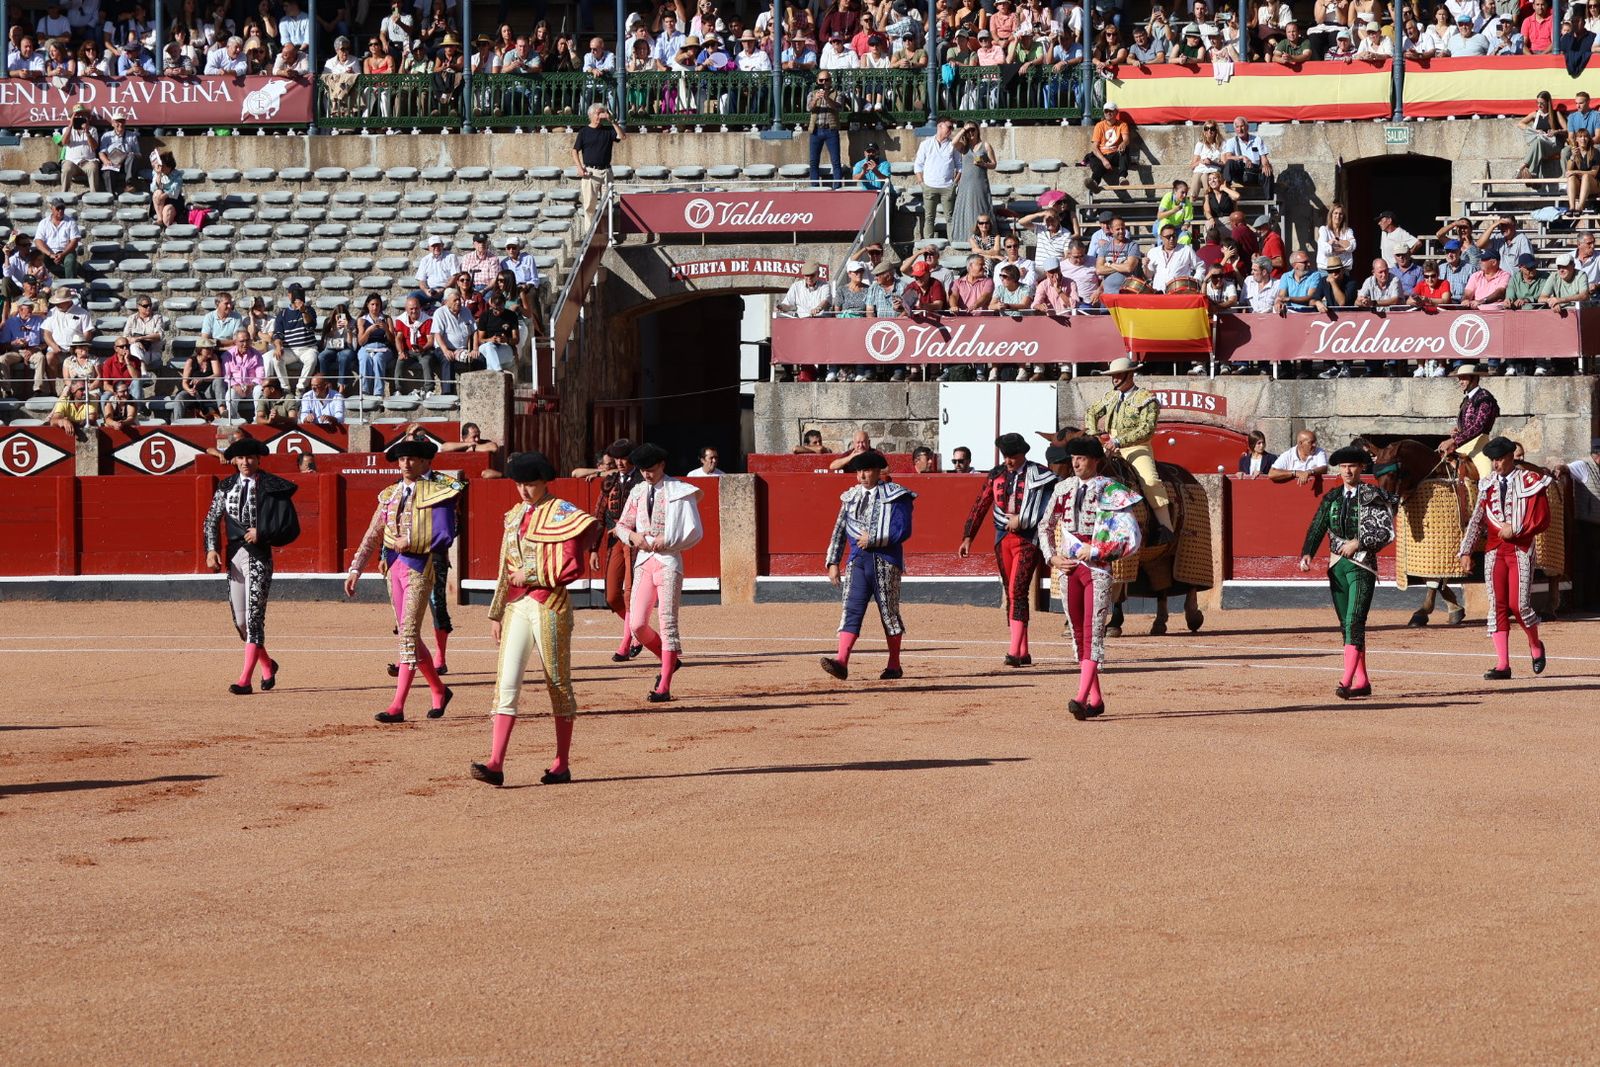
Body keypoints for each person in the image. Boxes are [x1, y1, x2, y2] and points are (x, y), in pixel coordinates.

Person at [471, 451, 601, 788]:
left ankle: (561, 763)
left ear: (544, 482)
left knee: (557, 682)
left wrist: (527, 574)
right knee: (506, 682)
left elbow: (572, 565)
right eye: (519, 484)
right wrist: (497, 611)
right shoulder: (513, 516)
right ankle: (495, 762)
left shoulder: (562, 513)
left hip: (550, 604)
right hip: (516, 606)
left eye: (530, 484)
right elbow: (504, 566)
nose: (524, 490)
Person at [344, 438, 462, 723]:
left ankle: (397, 705)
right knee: (409, 634)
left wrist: (411, 540)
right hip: (394, 570)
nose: (406, 464)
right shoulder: (389, 494)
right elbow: (373, 532)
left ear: (425, 463)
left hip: (419, 567)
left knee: (408, 635)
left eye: (412, 459)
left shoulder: (439, 492)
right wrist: (356, 567)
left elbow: (446, 534)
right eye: (402, 460)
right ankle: (439, 689)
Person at [1040, 436, 1144, 719]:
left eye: (1082, 458)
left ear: (1096, 461)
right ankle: (1096, 700)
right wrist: (1052, 557)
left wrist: (1096, 548)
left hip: (1097, 570)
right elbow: (1045, 526)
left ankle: (1080, 696)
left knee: (1093, 632)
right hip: (1069, 569)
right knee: (1078, 633)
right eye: (1073, 457)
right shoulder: (1062, 489)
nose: (1075, 462)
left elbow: (1131, 538)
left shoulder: (1112, 490)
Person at [203, 436, 301, 696]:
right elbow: (211, 521)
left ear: (258, 459)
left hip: (259, 556)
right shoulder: (225, 486)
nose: (245, 462)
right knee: (240, 622)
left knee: (254, 618)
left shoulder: (270, 486)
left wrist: (263, 532)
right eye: (241, 458)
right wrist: (211, 549)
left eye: (250, 458)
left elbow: (288, 524)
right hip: (234, 556)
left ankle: (245, 679)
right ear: (233, 460)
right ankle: (267, 664)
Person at [1298, 444, 1396, 700]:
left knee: (1354, 620)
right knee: (1347, 625)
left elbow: (1385, 531)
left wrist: (1359, 542)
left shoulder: (1373, 495)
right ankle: (1362, 681)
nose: (1347, 471)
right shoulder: (1332, 497)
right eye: (1342, 466)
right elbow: (1318, 524)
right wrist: (1307, 551)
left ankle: (1345, 680)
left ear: (1362, 468)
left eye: (1352, 466)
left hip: (1362, 565)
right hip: (1336, 566)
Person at [958, 432, 1058, 666]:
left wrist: (1023, 520)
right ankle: (1022, 651)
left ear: (1023, 453)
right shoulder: (997, 474)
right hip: (1003, 538)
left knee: (1017, 590)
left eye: (1012, 456)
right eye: (1006, 456)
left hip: (1028, 538)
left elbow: (1050, 505)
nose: (1008, 460)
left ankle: (1014, 651)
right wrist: (967, 536)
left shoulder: (1041, 474)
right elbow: (981, 504)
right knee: (1012, 591)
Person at [615, 442, 704, 703]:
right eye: (642, 470)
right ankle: (669, 662)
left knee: (667, 622)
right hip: (644, 561)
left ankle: (664, 686)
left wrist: (669, 539)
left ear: (662, 465)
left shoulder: (678, 491)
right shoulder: (638, 491)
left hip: (668, 562)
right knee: (637, 625)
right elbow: (621, 526)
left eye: (651, 470)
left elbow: (694, 531)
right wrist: (632, 536)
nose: (646, 475)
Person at [1459, 436, 1551, 680]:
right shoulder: (1487, 484)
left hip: (1520, 548)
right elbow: (1477, 519)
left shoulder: (1528, 480)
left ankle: (1535, 645)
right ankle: (1503, 665)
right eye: (1492, 460)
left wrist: (1517, 529)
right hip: (1494, 549)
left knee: (1519, 605)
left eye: (1499, 459)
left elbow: (1542, 517)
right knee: (1497, 604)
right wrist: (1466, 550)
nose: (1495, 464)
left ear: (1511, 457)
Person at [820, 449, 916, 681]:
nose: (861, 475)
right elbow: (840, 529)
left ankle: (894, 664)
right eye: (858, 470)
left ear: (877, 472)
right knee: (851, 610)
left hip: (886, 561)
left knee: (889, 613)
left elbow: (902, 529)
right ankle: (841, 661)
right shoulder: (850, 497)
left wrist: (872, 539)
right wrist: (833, 561)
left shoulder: (896, 495)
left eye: (866, 470)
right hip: (858, 561)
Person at [1085, 358, 1174, 542]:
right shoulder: (1111, 396)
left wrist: (1119, 440)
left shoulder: (1146, 398)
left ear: (1131, 374)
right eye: (1112, 376)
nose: (1114, 379)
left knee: (1149, 480)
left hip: (1136, 446)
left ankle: (1165, 528)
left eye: (1118, 375)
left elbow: (1147, 430)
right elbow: (1091, 412)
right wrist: (1094, 436)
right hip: (1109, 445)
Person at [590, 438, 644, 660]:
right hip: (615, 542)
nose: (620, 462)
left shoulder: (642, 481)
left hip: (633, 541)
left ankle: (626, 642)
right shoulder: (610, 481)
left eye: (624, 457)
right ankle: (637, 632)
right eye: (617, 458)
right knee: (612, 595)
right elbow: (599, 516)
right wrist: (594, 548)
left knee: (630, 593)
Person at [1440, 364, 1498, 478]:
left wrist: (1454, 440)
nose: (1460, 382)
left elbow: (1479, 426)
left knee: (1487, 476)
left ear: (1474, 378)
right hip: (1464, 445)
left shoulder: (1484, 397)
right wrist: (1459, 431)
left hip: (1479, 445)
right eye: (1459, 378)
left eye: (1464, 378)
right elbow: (1468, 425)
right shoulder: (1467, 399)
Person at [573, 102, 624, 214]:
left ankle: (606, 231)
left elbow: (622, 136)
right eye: (598, 113)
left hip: (606, 171)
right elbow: (574, 150)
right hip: (591, 172)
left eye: (602, 113)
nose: (601, 116)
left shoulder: (608, 130)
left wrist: (612, 121)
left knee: (607, 204)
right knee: (589, 206)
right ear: (591, 115)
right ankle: (590, 231)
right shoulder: (584, 132)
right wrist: (579, 168)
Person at [1567, 436, 1600, 607]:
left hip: (1596, 523)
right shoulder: (1583, 465)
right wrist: (1558, 469)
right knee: (1590, 562)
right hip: (1587, 524)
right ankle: (1588, 601)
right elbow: (1565, 468)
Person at [915, 117, 961, 239]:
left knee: (950, 218)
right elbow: (918, 165)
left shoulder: (953, 145)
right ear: (940, 126)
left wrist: (954, 184)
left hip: (947, 186)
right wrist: (922, 184)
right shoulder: (926, 144)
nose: (951, 130)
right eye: (949, 127)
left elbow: (960, 166)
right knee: (929, 217)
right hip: (929, 186)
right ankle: (928, 246)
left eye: (952, 128)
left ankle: (953, 244)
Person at [1080, 100, 1130, 192]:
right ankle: (1094, 183)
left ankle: (1122, 178)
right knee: (1097, 163)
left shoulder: (1122, 124)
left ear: (1116, 112)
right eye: (1106, 111)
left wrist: (1123, 143)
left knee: (1124, 151)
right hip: (1101, 154)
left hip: (1115, 154)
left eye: (1110, 111)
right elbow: (1094, 147)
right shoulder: (1099, 126)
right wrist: (1104, 160)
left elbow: (1126, 139)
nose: (1108, 113)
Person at [1220, 114, 1274, 198]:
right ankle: (1225, 191)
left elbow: (1264, 158)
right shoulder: (1231, 141)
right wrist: (1242, 157)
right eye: (1237, 127)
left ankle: (1270, 204)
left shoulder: (1257, 140)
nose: (1240, 129)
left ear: (1247, 127)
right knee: (1230, 162)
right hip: (1240, 174)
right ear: (1235, 129)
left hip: (1255, 172)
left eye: (1242, 126)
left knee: (1268, 172)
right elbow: (1228, 157)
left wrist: (1265, 165)